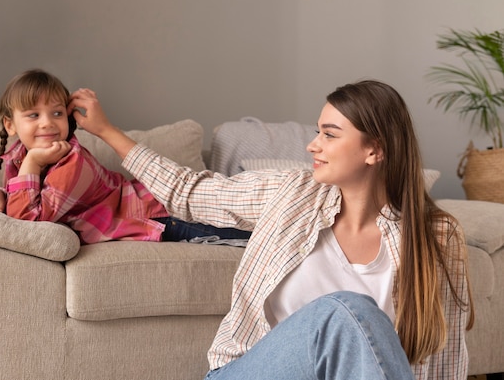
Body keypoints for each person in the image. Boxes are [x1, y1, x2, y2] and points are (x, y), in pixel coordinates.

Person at [68, 80, 474, 380]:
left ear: (375, 150)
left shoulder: (435, 237)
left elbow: (443, 362)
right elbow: (187, 192)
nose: (313, 145)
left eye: (330, 135)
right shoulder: (290, 192)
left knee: (352, 315)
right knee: (345, 310)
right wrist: (106, 131)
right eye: (317, 131)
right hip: (249, 373)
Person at [0, 69, 250, 244]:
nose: (47, 123)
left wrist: (32, 164)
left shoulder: (73, 163)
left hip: (164, 215)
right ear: (10, 125)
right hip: (159, 209)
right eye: (33, 115)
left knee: (253, 234)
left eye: (56, 113)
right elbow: (22, 199)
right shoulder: (17, 156)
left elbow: (27, 226)